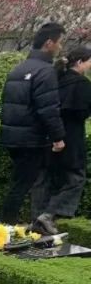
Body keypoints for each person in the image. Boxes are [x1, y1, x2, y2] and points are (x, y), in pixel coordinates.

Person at [0, 22, 67, 230]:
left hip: (13, 136)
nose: (61, 47)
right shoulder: (45, 72)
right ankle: (5, 222)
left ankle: (13, 221)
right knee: (24, 183)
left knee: (22, 180)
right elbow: (48, 108)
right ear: (49, 43)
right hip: (31, 138)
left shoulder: (19, 69)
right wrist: (58, 136)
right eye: (60, 42)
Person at [31, 45, 91, 231]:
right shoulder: (81, 84)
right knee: (75, 179)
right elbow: (81, 112)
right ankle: (48, 214)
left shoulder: (55, 79)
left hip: (47, 135)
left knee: (44, 178)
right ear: (80, 62)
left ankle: (37, 220)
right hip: (70, 138)